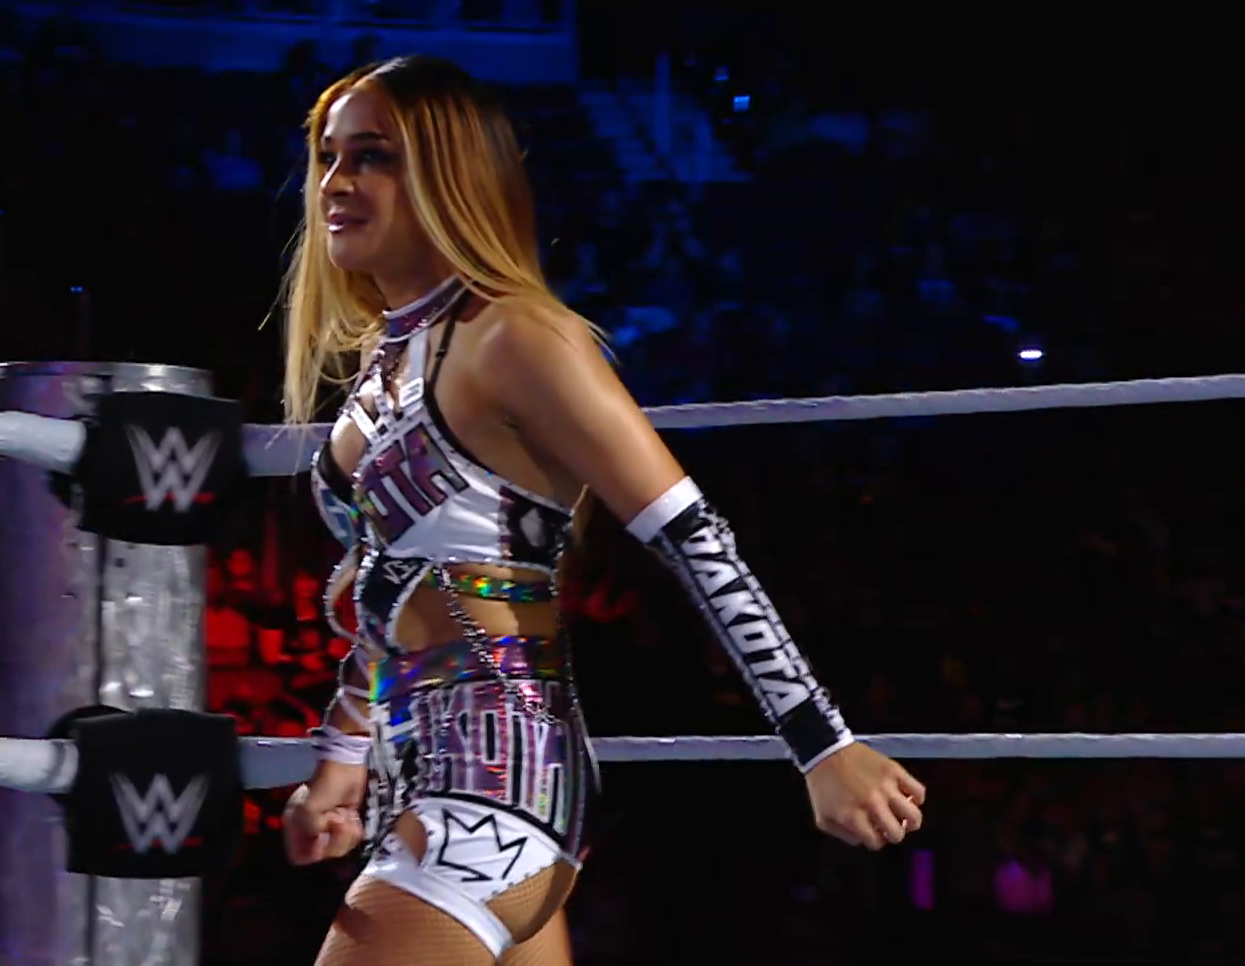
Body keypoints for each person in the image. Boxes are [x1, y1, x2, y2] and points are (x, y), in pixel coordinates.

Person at [278, 55, 927, 965]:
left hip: (490, 792)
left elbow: (695, 538)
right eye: (329, 156)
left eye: (373, 156)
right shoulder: (388, 362)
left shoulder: (516, 336)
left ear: (448, 176)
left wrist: (822, 745)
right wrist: (341, 762)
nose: (337, 182)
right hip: (426, 788)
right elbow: (392, 591)